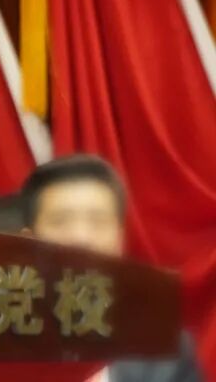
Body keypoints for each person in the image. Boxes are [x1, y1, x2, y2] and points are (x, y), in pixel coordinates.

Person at [21, 154, 202, 382]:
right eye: (61, 221)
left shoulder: (166, 348)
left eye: (98, 221)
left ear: (120, 239)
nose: (81, 238)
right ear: (27, 242)